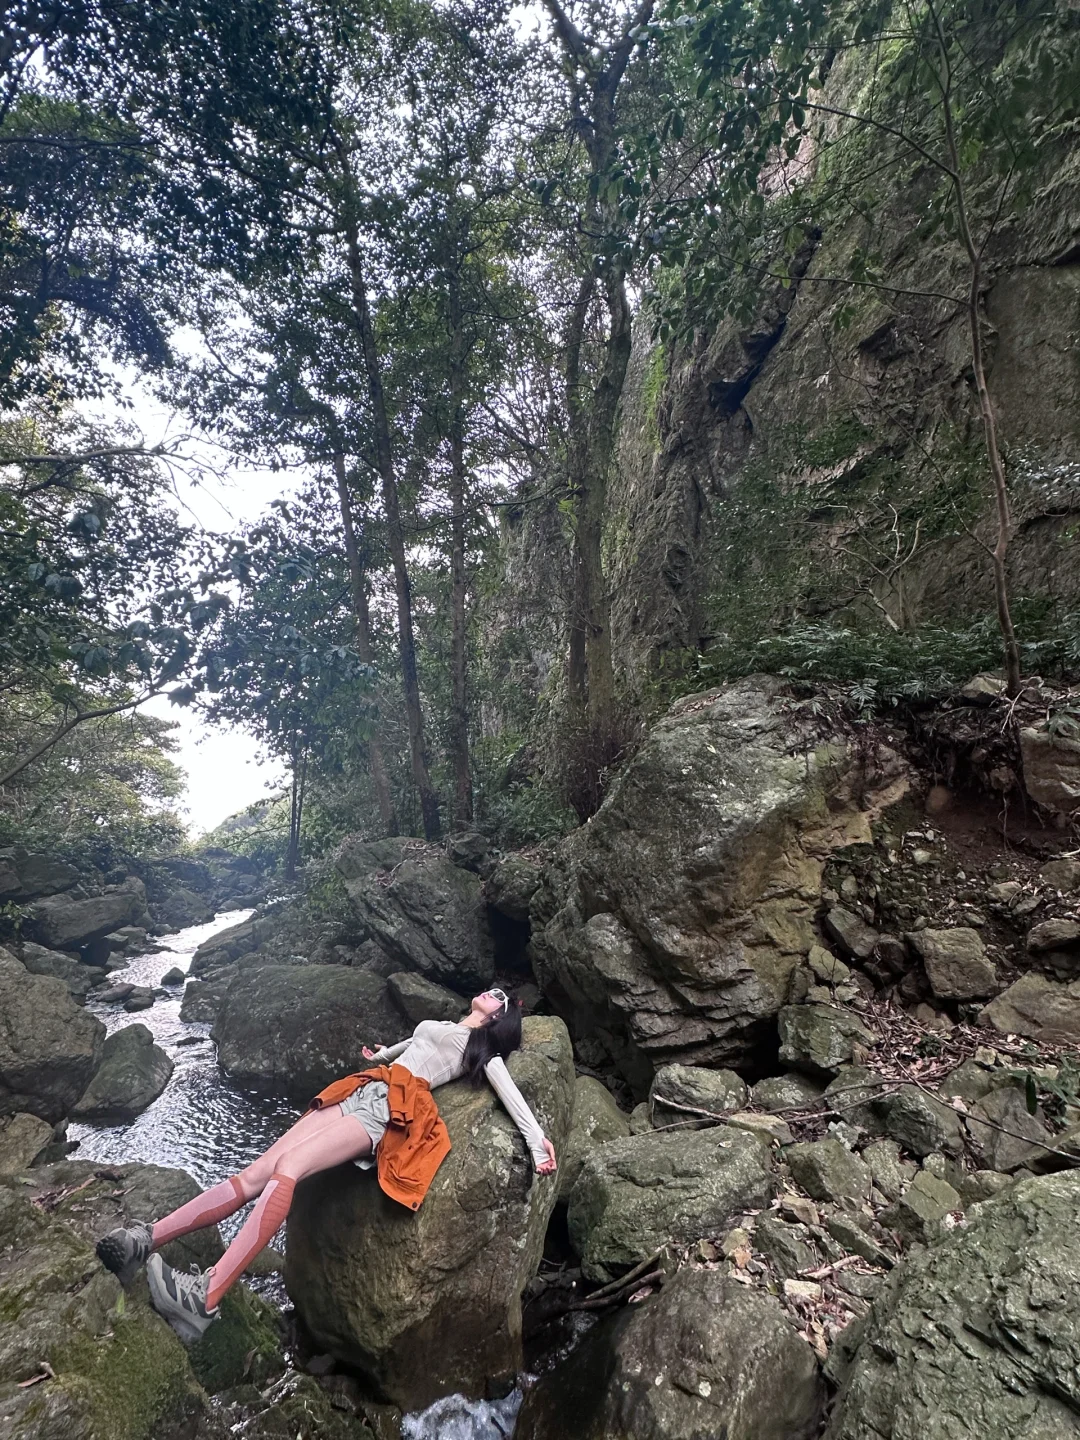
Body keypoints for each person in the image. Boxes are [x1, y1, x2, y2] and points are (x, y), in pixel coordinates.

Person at [95, 986, 556, 1343]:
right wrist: (378, 1056)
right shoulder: (441, 1024)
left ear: (500, 1016)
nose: (491, 993)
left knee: (289, 1168)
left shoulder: (482, 1048)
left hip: (388, 1109)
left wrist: (538, 1144)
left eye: (499, 997)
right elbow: (402, 1050)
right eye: (492, 991)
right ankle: (147, 1237)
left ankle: (207, 1296)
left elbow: (507, 1090)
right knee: (258, 1170)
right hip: (363, 1087)